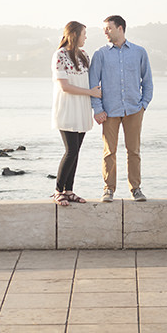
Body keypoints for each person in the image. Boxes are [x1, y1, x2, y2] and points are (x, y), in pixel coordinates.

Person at [88, 14, 153, 202]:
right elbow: (94, 85)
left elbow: (147, 82)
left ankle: (136, 189)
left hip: (134, 110)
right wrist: (98, 109)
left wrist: (143, 105)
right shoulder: (100, 54)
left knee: (134, 151)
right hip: (109, 112)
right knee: (109, 152)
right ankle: (108, 189)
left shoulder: (139, 52)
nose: (105, 32)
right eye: (104, 29)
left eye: (108, 28)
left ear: (120, 28)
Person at [50, 21, 101, 206]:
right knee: (71, 151)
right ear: (74, 34)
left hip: (82, 109)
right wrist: (91, 93)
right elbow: (65, 86)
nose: (85, 37)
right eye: (83, 33)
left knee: (76, 152)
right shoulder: (60, 55)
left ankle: (69, 190)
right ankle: (58, 190)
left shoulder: (84, 55)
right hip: (67, 109)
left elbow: (89, 82)